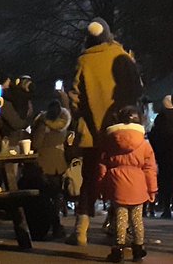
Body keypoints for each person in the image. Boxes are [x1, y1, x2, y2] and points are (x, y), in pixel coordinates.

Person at [66, 18, 143, 246]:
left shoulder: (84, 60)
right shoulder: (121, 56)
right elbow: (137, 89)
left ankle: (81, 230)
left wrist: (84, 114)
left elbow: (75, 97)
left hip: (92, 133)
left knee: (89, 179)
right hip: (121, 132)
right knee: (121, 176)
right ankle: (119, 227)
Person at [96, 106, 157, 263]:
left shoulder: (110, 142)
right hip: (138, 185)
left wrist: (102, 187)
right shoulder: (144, 144)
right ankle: (138, 249)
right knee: (137, 219)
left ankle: (118, 250)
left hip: (118, 185)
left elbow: (102, 166)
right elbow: (150, 169)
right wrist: (152, 190)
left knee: (120, 218)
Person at [31, 100, 71, 241]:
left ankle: (48, 225)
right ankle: (57, 226)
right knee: (57, 194)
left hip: (44, 163)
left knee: (44, 196)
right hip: (59, 163)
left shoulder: (43, 124)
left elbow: (36, 144)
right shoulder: (64, 125)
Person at [148, 95, 173, 220]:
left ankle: (166, 208)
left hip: (163, 156)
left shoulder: (160, 118)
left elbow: (154, 136)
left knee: (164, 182)